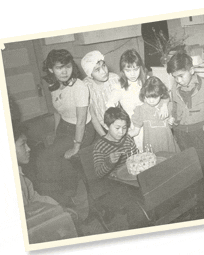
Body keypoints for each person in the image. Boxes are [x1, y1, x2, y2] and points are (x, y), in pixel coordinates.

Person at [166, 52, 204, 215]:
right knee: (192, 173)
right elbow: (176, 107)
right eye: (175, 77)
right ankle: (199, 205)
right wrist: (174, 120)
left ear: (191, 70)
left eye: (181, 76)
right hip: (182, 136)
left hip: (202, 135)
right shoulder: (174, 87)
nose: (178, 80)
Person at [37, 49, 95, 206]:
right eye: (58, 67)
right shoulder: (54, 85)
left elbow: (81, 120)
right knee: (59, 156)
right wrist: (57, 134)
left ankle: (59, 198)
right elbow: (57, 111)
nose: (64, 71)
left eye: (67, 66)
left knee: (44, 158)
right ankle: (69, 193)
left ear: (72, 67)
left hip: (83, 130)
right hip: (64, 126)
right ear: (51, 69)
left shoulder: (79, 87)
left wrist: (77, 146)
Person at [106, 49, 169, 151]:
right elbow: (110, 107)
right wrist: (122, 123)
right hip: (135, 127)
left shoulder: (147, 81)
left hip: (153, 125)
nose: (132, 74)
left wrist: (164, 106)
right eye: (128, 70)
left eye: (135, 69)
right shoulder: (119, 87)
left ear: (141, 67)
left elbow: (164, 93)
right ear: (122, 70)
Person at [129, 76, 180, 153]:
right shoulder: (140, 110)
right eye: (148, 97)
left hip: (168, 145)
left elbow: (175, 126)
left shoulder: (168, 106)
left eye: (155, 97)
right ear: (144, 95)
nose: (151, 101)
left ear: (161, 94)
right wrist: (118, 137)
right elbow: (135, 131)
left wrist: (171, 121)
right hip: (152, 148)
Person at [81, 50, 121, 137]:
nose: (104, 71)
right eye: (97, 70)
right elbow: (93, 116)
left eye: (104, 65)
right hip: (100, 128)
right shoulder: (87, 87)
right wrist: (104, 136)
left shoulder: (114, 79)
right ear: (90, 74)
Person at [92, 107, 138, 178]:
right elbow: (98, 174)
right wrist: (109, 162)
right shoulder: (100, 146)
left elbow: (136, 157)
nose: (121, 132)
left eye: (124, 128)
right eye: (117, 128)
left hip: (130, 176)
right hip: (114, 182)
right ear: (107, 127)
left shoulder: (127, 139)